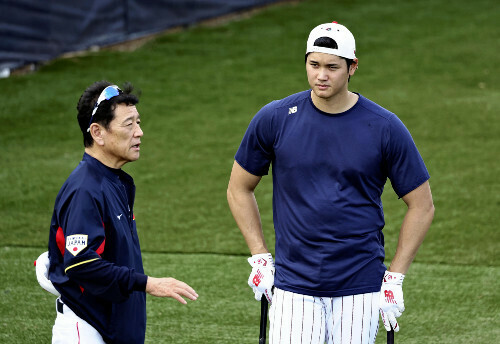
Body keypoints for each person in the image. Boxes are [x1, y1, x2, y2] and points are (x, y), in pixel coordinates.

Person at [227, 22, 434, 344]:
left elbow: (422, 206)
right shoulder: (275, 118)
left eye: (332, 67)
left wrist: (394, 278)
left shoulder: (384, 127)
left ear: (352, 67)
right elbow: (239, 187)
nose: (321, 75)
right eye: (314, 65)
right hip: (292, 284)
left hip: (360, 285)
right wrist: (260, 257)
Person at [35, 81, 198, 344]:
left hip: (109, 330)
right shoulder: (85, 190)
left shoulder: (115, 182)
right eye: (129, 124)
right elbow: (81, 263)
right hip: (87, 331)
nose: (140, 132)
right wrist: (148, 283)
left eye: (138, 122)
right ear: (97, 133)